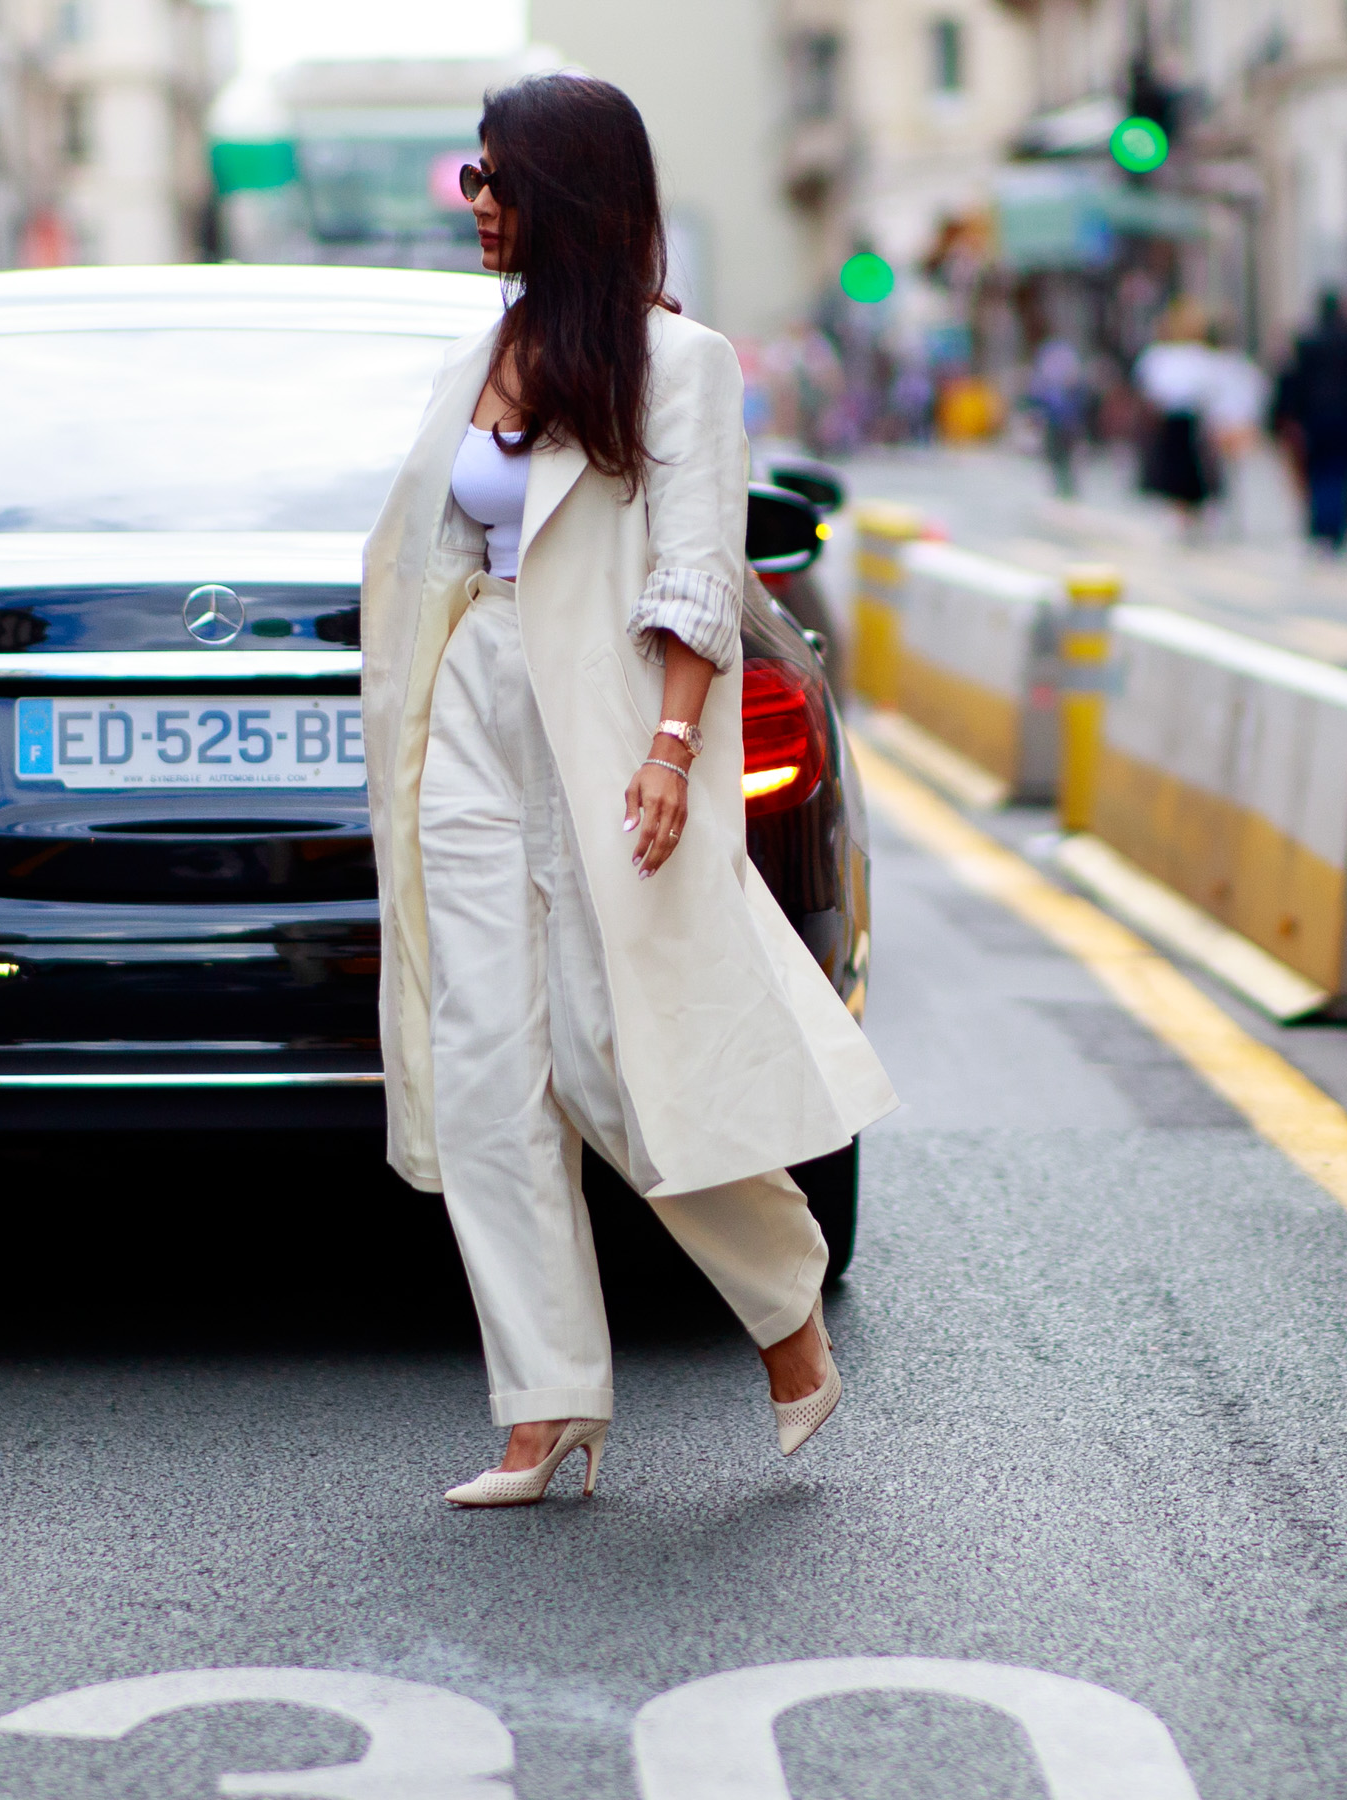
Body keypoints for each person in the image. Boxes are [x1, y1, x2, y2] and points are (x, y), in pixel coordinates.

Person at [360, 73, 897, 1508]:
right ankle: (545, 1411)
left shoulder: (683, 366)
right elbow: (434, 552)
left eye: (494, 181)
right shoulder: (475, 353)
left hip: (602, 719)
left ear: (565, 189)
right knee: (484, 1066)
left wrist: (670, 751)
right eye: (470, 182)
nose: (474, 205)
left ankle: (786, 1309)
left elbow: (692, 574)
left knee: (610, 1054)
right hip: (470, 712)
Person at [1270, 293, 1347, 554]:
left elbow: (1295, 380)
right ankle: (1337, 526)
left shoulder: (1308, 341)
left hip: (1316, 416)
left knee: (1319, 471)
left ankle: (1322, 525)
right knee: (1341, 471)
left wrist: (1286, 415)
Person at [1133, 297, 1221, 534]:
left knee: (1191, 467)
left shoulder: (1194, 356)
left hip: (1188, 421)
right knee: (1176, 466)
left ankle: (1191, 509)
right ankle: (1181, 509)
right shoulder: (1164, 356)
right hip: (1172, 422)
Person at [1025, 335, 1089, 498]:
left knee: (1066, 457)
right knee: (1057, 457)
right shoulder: (1053, 356)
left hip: (1065, 419)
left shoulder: (1057, 356)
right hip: (1057, 419)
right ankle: (1062, 488)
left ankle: (1068, 488)